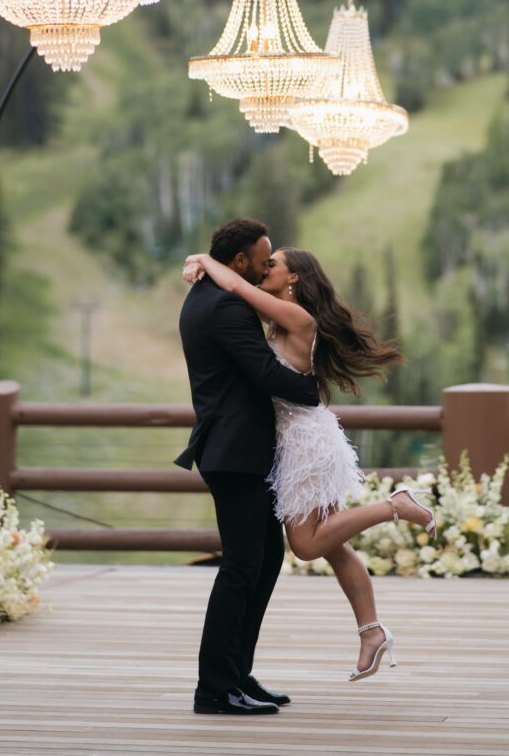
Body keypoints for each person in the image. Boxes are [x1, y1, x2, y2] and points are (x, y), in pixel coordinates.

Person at [183, 244, 436, 683]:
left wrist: (204, 260)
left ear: (294, 277)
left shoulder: (297, 317)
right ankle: (372, 632)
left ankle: (394, 505)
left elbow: (237, 285)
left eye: (273, 265)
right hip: (300, 439)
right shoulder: (281, 317)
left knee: (306, 545)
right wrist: (199, 262)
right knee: (334, 544)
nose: (266, 269)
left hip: (304, 443)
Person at [175, 218, 321, 716]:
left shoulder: (206, 296)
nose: (263, 270)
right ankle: (215, 689)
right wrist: (312, 391)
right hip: (235, 452)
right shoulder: (227, 306)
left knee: (265, 559)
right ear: (239, 261)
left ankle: (238, 675)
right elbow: (264, 373)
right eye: (261, 262)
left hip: (241, 450)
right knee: (241, 567)